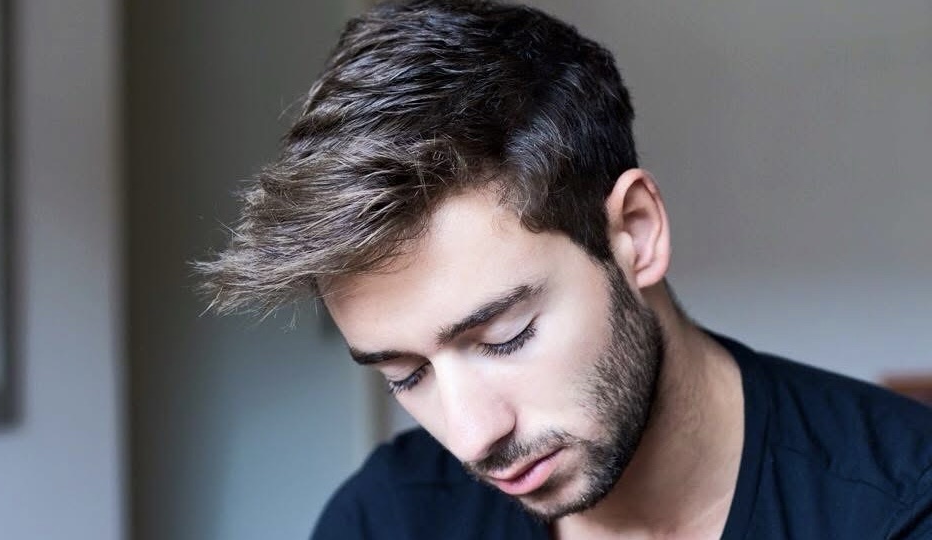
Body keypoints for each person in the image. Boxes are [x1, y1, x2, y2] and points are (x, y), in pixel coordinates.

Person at [195, 1, 932, 538]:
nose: (473, 436)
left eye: (505, 336)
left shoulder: (901, 503)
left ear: (636, 233)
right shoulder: (389, 518)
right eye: (405, 375)